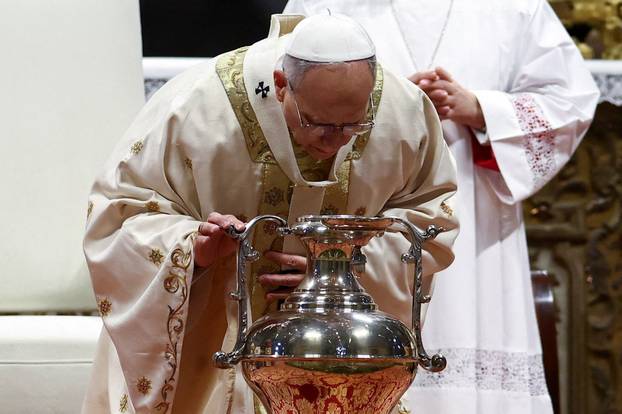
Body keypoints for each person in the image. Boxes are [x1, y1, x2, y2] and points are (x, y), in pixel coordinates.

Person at [82, 13, 459, 413]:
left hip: (336, 353)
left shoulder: (402, 113)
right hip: (213, 350)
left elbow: (432, 222)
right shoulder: (197, 107)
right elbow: (119, 215)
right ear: (281, 86)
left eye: (353, 125)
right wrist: (194, 249)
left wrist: (342, 270)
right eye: (316, 122)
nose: (332, 142)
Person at [283, 1, 600, 413]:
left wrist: (482, 110)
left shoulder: (516, 8)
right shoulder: (324, 4)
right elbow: (283, 93)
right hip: (371, 213)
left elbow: (570, 101)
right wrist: (389, 105)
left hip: (476, 225)